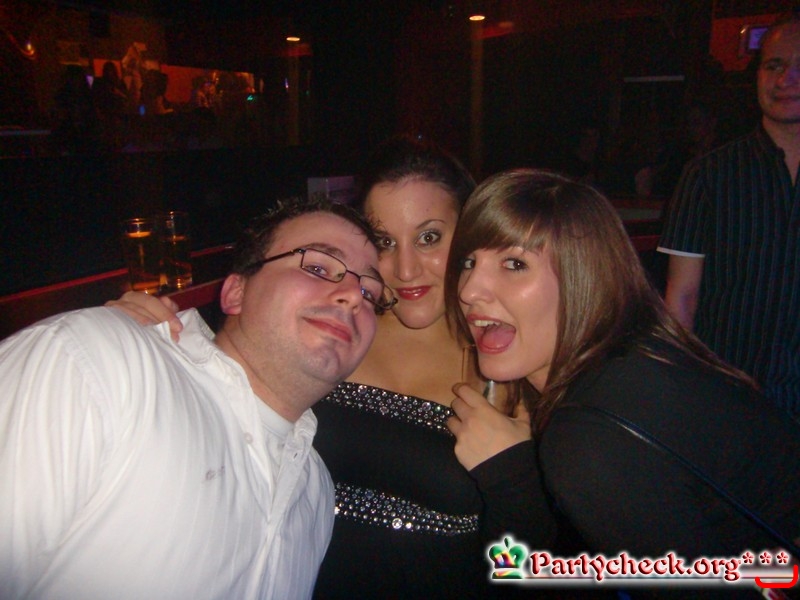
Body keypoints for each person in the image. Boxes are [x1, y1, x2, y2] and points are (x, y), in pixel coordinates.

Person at [109, 135, 540, 598]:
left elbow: (524, 565)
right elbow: (217, 377)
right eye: (384, 242)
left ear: (471, 234)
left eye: (429, 237)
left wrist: (515, 480)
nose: (406, 269)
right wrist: (148, 328)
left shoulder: (506, 364)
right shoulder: (331, 333)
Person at [0, 197, 391, 599]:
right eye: (317, 267)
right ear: (236, 292)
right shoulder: (100, 361)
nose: (353, 296)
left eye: (370, 291)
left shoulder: (315, 491)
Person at [443, 169, 800, 595]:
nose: (469, 290)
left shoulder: (591, 436)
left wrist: (512, 477)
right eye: (468, 262)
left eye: (514, 264)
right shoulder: (640, 356)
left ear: (584, 276)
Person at [658, 13, 800, 420]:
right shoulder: (709, 175)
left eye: (799, 67)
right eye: (774, 65)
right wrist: (674, 390)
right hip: (726, 396)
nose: (785, 79)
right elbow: (682, 297)